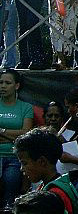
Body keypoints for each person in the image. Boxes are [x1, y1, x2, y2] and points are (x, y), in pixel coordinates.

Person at [14, 127, 78, 214]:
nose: (21, 169)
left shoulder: (56, 194)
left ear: (42, 161)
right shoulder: (50, 186)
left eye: (24, 163)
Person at [0, 69, 34, 208]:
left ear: (17, 86)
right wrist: (13, 137)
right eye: (1, 82)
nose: (3, 86)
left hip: (15, 158)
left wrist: (2, 131)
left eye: (7, 83)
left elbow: (26, 133)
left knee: (10, 197)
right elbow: (20, 134)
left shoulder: (26, 107)